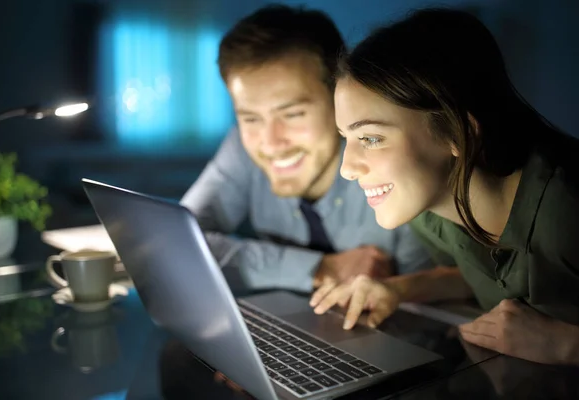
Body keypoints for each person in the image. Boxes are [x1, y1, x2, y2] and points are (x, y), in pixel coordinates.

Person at [310, 8, 579, 365]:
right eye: (346, 138)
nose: (346, 169)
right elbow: (482, 276)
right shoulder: (430, 214)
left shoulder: (566, 209)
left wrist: (566, 344)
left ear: (458, 133)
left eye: (371, 138)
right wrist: (396, 289)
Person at [180, 4, 434, 293]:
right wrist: (321, 269)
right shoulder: (242, 146)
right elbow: (176, 241)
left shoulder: (394, 165)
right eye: (250, 118)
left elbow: (443, 314)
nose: (270, 143)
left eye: (293, 114)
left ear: (339, 97)